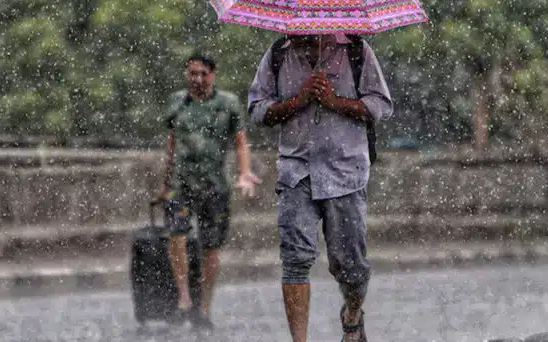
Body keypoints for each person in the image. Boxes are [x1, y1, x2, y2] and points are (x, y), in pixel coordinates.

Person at [248, 34, 393, 342]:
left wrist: (335, 102)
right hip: (296, 173)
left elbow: (381, 105)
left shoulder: (356, 50)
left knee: (351, 267)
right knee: (295, 260)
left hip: (345, 173)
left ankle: (352, 315)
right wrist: (296, 102)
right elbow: (258, 109)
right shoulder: (278, 53)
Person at [158, 52, 261, 331]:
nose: (198, 79)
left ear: (213, 75)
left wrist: (244, 173)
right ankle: (183, 300)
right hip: (182, 184)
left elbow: (241, 142)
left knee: (211, 246)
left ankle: (204, 307)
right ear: (187, 74)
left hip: (214, 186)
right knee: (177, 235)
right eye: (193, 73)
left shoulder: (227, 104)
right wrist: (165, 183)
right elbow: (172, 142)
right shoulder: (177, 102)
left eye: (204, 74)